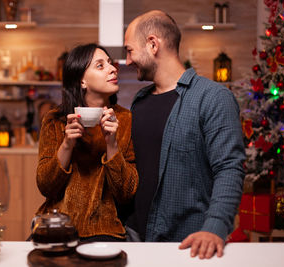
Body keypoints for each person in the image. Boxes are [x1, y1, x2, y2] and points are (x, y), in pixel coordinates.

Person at [124, 10, 245, 258]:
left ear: (153, 44)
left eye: (129, 50)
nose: (127, 61)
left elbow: (229, 168)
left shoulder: (213, 98)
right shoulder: (139, 100)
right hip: (134, 238)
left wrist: (215, 228)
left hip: (188, 244)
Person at [36, 43, 138, 242]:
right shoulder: (56, 120)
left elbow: (127, 193)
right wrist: (67, 144)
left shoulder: (125, 120)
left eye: (110, 63)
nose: (113, 68)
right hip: (57, 226)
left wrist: (112, 145)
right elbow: (46, 187)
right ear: (82, 81)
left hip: (105, 230)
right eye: (100, 66)